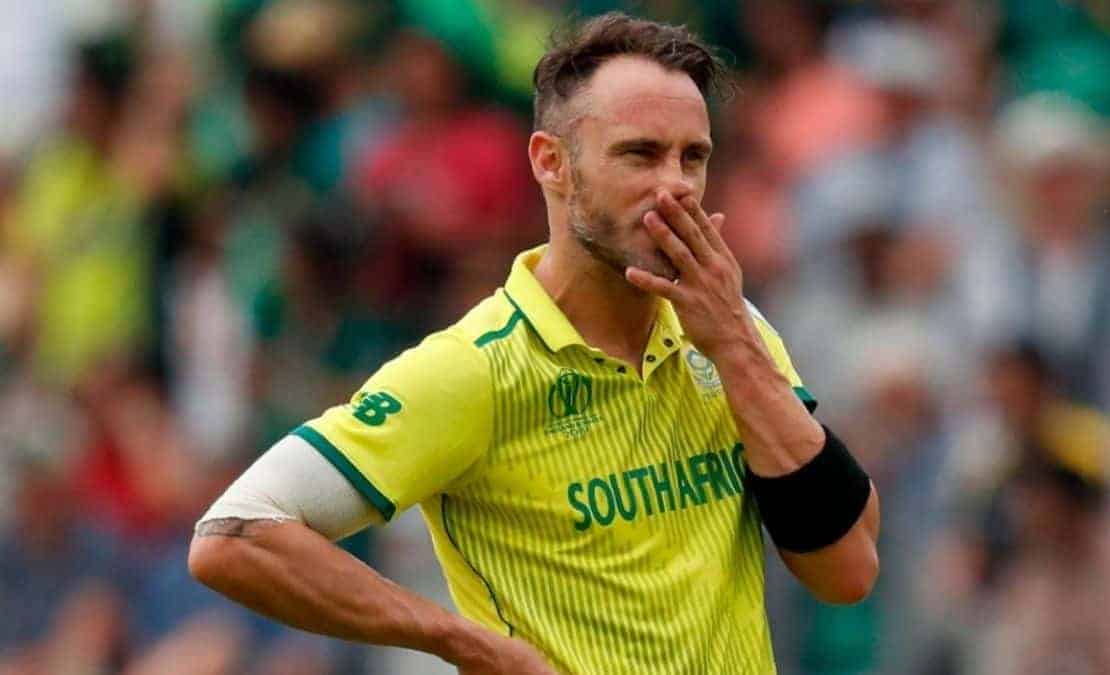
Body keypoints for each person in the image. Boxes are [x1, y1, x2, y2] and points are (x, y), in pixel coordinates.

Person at [188, 13, 880, 675]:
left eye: (692, 157)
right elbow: (235, 535)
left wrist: (734, 347)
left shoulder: (732, 332)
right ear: (553, 163)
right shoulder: (476, 368)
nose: (674, 185)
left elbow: (847, 569)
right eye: (640, 154)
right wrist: (462, 641)